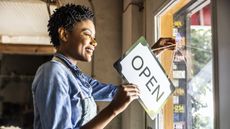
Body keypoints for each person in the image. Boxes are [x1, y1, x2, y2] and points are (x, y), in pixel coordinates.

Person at [32, 4, 175, 129]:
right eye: (87, 34)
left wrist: (151, 54)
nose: (94, 43)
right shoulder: (52, 72)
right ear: (64, 34)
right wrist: (112, 110)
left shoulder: (77, 77)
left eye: (94, 37)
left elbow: (119, 92)